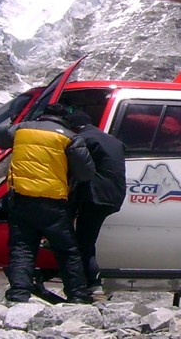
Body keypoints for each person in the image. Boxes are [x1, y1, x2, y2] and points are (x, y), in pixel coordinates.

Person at [0, 103, 96, 304]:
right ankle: (77, 295)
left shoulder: (22, 129)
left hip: (21, 198)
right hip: (53, 202)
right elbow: (86, 173)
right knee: (66, 250)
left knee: (22, 247)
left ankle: (19, 293)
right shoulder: (69, 137)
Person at [65, 110, 126, 298]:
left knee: (84, 242)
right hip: (114, 197)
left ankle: (93, 285)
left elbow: (76, 170)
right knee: (87, 238)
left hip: (95, 196)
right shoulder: (112, 140)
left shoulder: (83, 139)